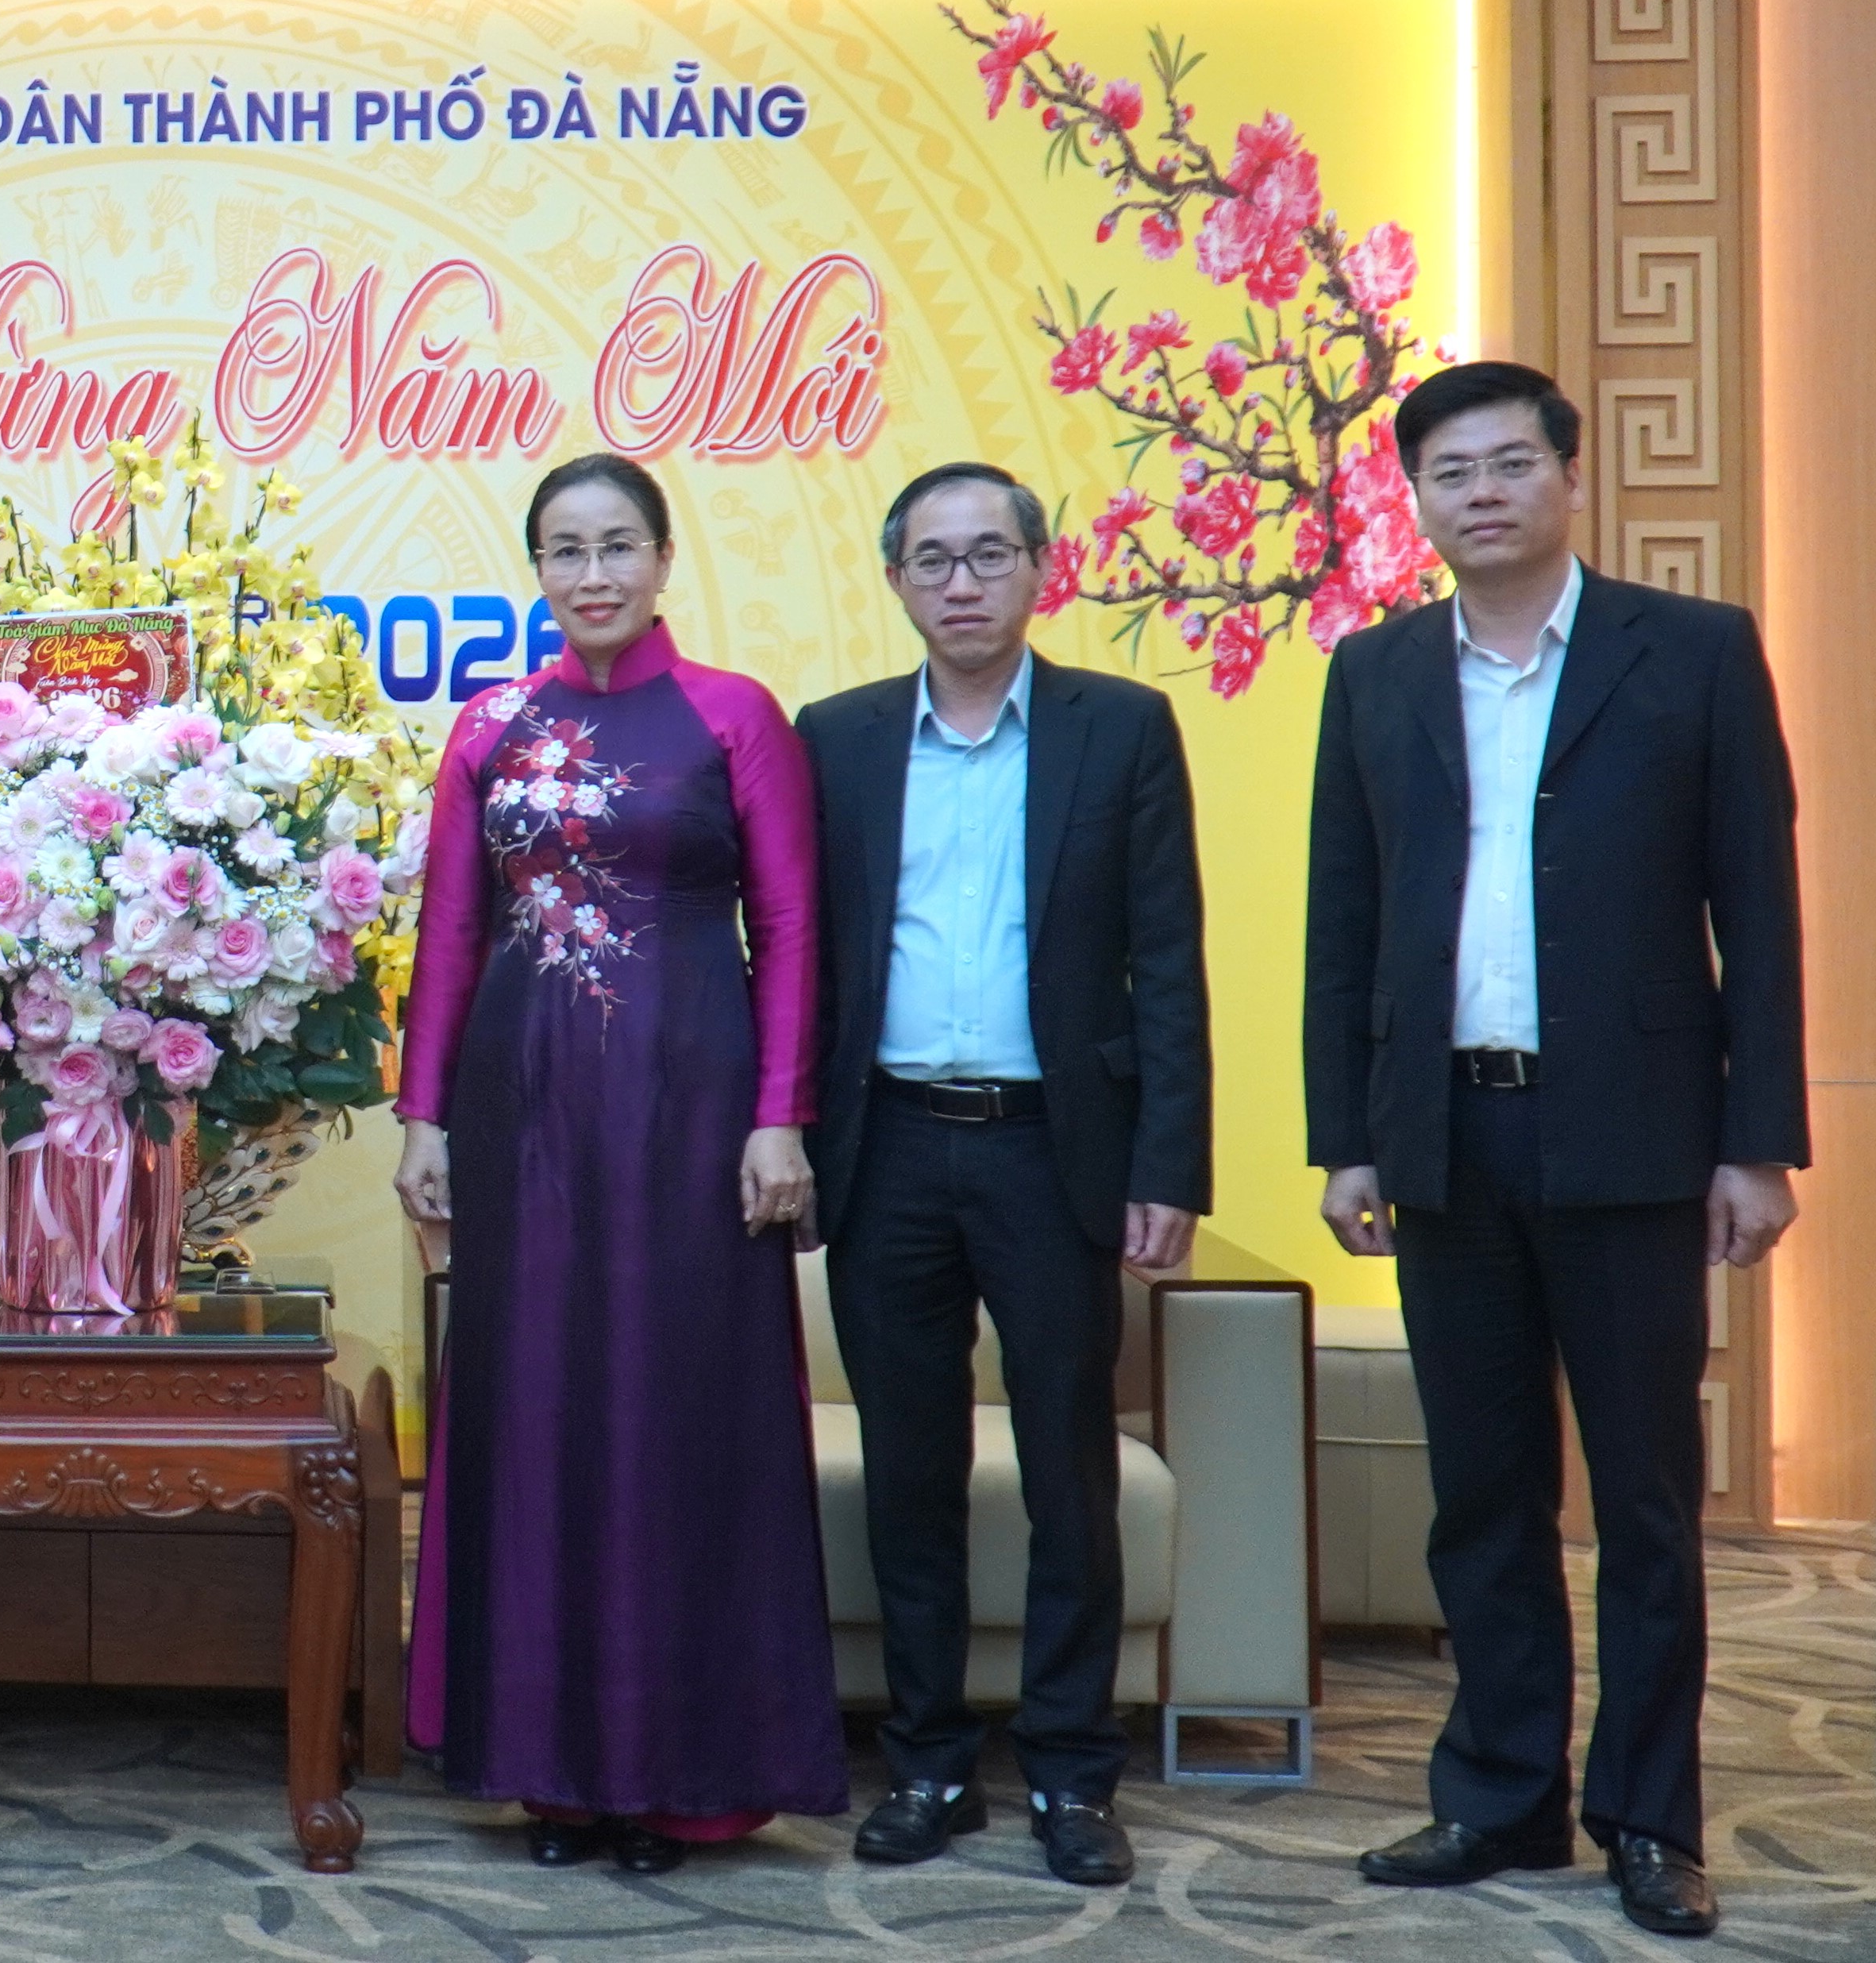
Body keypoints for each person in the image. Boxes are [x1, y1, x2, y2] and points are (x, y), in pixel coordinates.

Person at [1309, 359, 1804, 1942]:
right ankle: (1497, 1792)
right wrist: (1344, 1138)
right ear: (1415, 500)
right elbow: (1340, 923)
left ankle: (1648, 1818)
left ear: (1568, 479)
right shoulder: (1374, 672)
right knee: (1479, 1492)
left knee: (1645, 1500)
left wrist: (1755, 1142)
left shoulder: (1692, 653)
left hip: (1634, 1137)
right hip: (1443, 1132)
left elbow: (1757, 911)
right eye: (1448, 472)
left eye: (1509, 462)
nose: (1481, 492)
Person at [391, 449, 843, 1872]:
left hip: (694, 1114)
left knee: (678, 1415)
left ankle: (680, 1777)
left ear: (661, 558)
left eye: (616, 546)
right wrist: (423, 1116)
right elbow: (450, 931)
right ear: (536, 569)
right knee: (535, 1415)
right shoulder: (490, 726)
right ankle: (552, 1773)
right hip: (522, 1118)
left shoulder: (733, 715)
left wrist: (780, 1114)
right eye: (563, 550)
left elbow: (792, 926)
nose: (591, 574)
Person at [798, 464, 1210, 1888]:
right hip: (890, 1149)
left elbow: (1168, 961)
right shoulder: (838, 739)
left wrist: (1169, 1161)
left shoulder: (1120, 728)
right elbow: (801, 958)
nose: (961, 582)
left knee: (1067, 1473)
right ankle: (924, 1760)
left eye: (988, 554)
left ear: (1041, 568)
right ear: (896, 582)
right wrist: (789, 1132)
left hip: (1054, 1150)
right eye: (933, 559)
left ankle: (1071, 1771)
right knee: (907, 1474)